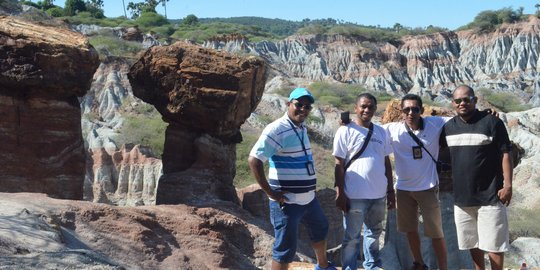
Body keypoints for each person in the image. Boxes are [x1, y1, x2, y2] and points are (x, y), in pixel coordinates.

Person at [248, 87, 337, 270]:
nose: (303, 109)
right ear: (289, 104)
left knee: (320, 229)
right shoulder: (277, 129)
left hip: (309, 200)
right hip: (287, 204)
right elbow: (254, 159)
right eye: (298, 105)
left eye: (307, 106)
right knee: (285, 248)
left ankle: (323, 266)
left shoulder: (300, 127)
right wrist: (271, 192)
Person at [441, 85, 513, 270]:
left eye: (467, 99)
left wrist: (508, 185)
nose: (462, 103)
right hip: (462, 199)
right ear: (453, 103)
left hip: (490, 196)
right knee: (471, 243)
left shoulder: (492, 122)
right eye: (458, 100)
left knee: (494, 245)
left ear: (475, 100)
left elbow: (506, 153)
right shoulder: (449, 127)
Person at [383, 94, 448, 270]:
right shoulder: (392, 129)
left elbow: (461, 119)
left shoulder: (435, 123)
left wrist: (487, 114)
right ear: (401, 112)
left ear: (421, 110)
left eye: (415, 109)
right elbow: (368, 130)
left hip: (427, 188)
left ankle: (443, 267)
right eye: (407, 109)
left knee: (436, 232)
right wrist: (347, 124)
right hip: (403, 189)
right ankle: (418, 263)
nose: (411, 112)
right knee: (410, 229)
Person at [333, 93, 395, 270]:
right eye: (363, 106)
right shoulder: (345, 130)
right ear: (356, 108)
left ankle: (372, 266)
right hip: (354, 195)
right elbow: (339, 163)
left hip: (378, 195)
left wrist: (390, 191)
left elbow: (386, 162)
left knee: (374, 234)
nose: (367, 110)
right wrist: (340, 193)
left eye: (371, 107)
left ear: (375, 109)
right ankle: (349, 267)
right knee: (352, 237)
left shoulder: (381, 131)